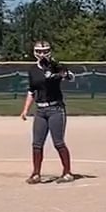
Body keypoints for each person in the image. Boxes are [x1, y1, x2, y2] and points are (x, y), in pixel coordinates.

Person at [19, 40, 75, 183]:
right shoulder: (33, 70)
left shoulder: (55, 66)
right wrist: (25, 110)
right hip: (40, 110)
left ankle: (67, 172)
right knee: (37, 143)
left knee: (58, 142)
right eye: (39, 51)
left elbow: (70, 77)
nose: (42, 54)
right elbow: (31, 91)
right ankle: (36, 173)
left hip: (56, 108)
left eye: (45, 51)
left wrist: (62, 72)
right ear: (34, 53)